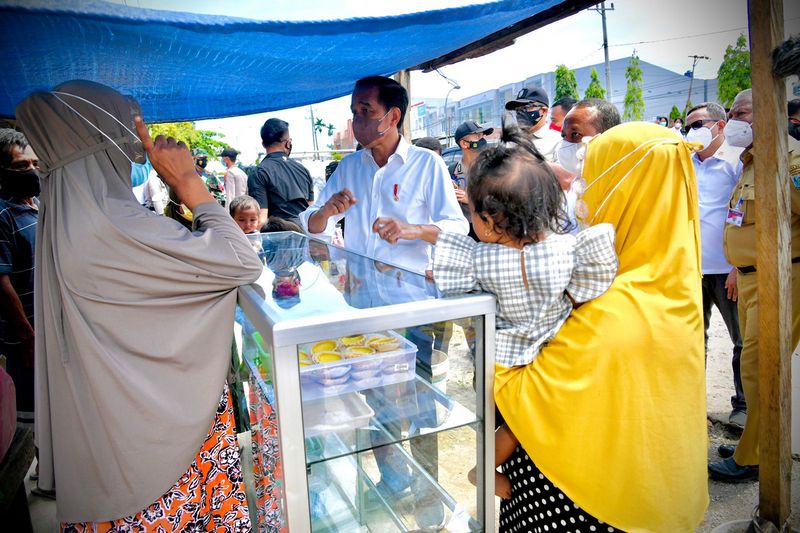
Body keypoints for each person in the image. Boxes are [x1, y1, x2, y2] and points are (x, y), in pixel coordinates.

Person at [16, 80, 262, 528]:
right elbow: (242, 261)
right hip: (165, 457)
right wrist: (186, 180)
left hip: (105, 444)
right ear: (107, 142)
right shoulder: (120, 228)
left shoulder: (63, 224)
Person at [494, 122, 708, 531]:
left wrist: (494, 345)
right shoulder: (672, 286)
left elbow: (532, 394)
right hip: (652, 492)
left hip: (580, 504)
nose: (583, 190)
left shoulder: (612, 307)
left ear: (625, 189)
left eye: (593, 177)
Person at [421, 123, 617, 499]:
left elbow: (457, 274)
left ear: (491, 220)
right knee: (524, 422)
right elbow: (582, 292)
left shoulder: (481, 257)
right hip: (556, 354)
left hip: (505, 357)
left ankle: (484, 467)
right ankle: (487, 467)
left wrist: (418, 234)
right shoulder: (566, 249)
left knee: (510, 423)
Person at [709, 88, 800, 483]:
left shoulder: (790, 158)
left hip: (779, 277)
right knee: (753, 366)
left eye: (741, 112)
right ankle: (755, 441)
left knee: (764, 369)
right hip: (748, 277)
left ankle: (756, 458)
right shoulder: (749, 162)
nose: (732, 121)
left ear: (769, 112)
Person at [300, 75, 468, 275]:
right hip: (360, 291)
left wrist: (416, 230)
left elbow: (457, 228)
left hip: (407, 292)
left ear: (394, 117)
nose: (357, 121)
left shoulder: (427, 164)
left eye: (366, 111)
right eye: (355, 113)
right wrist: (326, 211)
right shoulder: (349, 167)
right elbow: (312, 224)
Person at [685, 102, 746, 427]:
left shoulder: (736, 161)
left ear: (720, 126)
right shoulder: (685, 164)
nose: (692, 131)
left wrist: (737, 266)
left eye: (699, 124)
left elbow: (744, 216)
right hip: (692, 268)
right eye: (689, 125)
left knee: (741, 340)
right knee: (694, 340)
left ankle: (743, 406)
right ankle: (694, 405)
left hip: (727, 269)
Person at [248, 118, 314, 229]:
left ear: (264, 144)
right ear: (288, 143)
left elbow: (261, 220)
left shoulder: (259, 173)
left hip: (279, 238)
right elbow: (312, 211)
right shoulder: (302, 169)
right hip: (305, 234)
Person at [452, 120, 494, 240]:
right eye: (478, 136)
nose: (483, 140)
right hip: (462, 232)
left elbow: (501, 202)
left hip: (488, 228)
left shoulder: (493, 168)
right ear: (464, 144)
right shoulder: (451, 171)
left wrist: (470, 199)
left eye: (483, 136)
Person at [504, 86, 561, 161]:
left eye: (526, 107)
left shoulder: (558, 141)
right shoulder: (512, 140)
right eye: (518, 110)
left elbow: (565, 171)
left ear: (544, 111)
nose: (521, 113)